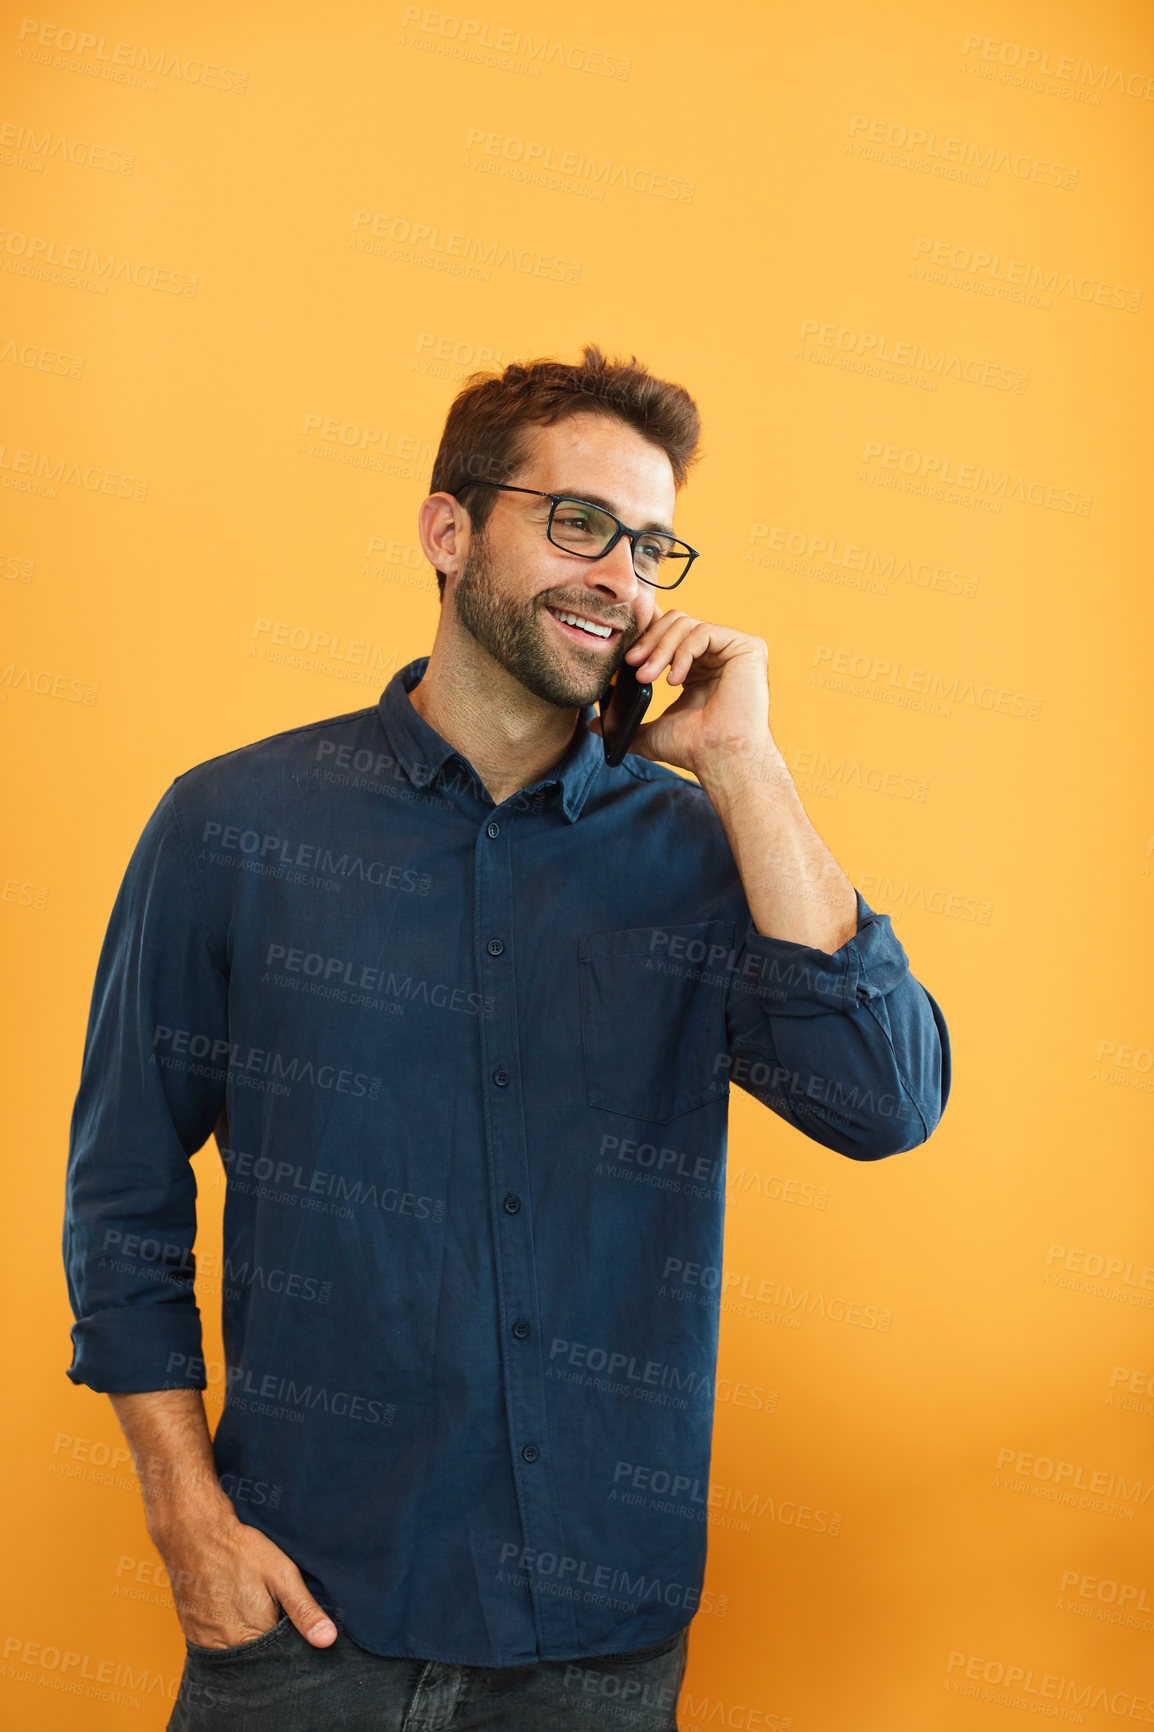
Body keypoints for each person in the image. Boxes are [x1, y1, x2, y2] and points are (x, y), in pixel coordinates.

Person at [62, 344, 950, 1730]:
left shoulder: (707, 857)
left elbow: (883, 1101)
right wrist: (187, 1525)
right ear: (447, 530)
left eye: (652, 547)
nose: (621, 577)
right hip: (302, 1618)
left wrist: (746, 763)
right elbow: (122, 1189)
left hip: (595, 1642)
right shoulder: (233, 827)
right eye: (577, 523)